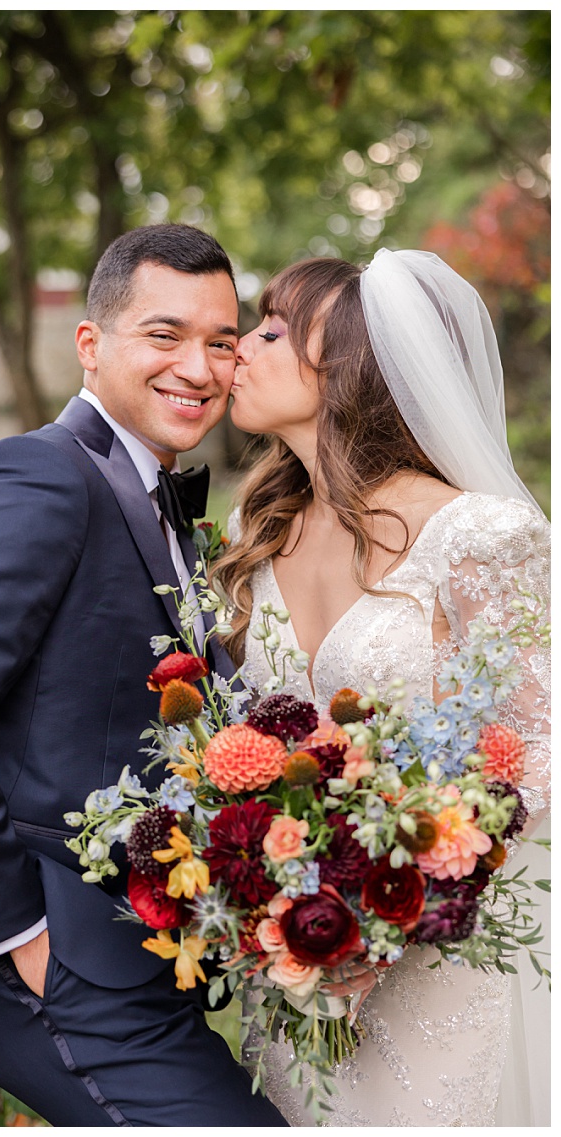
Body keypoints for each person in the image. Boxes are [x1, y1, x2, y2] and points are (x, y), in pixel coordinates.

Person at [0, 224, 287, 1124]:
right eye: (165, 335)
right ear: (91, 346)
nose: (200, 367)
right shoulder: (43, 475)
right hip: (52, 961)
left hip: (141, 953)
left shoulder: (155, 494)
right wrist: (19, 935)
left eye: (221, 340)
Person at [218, 249, 550, 1125]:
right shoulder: (261, 536)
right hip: (299, 951)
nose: (241, 346)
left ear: (352, 365)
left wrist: (390, 912)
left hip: (445, 952)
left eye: (274, 329)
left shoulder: (480, 534)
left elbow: (539, 759)